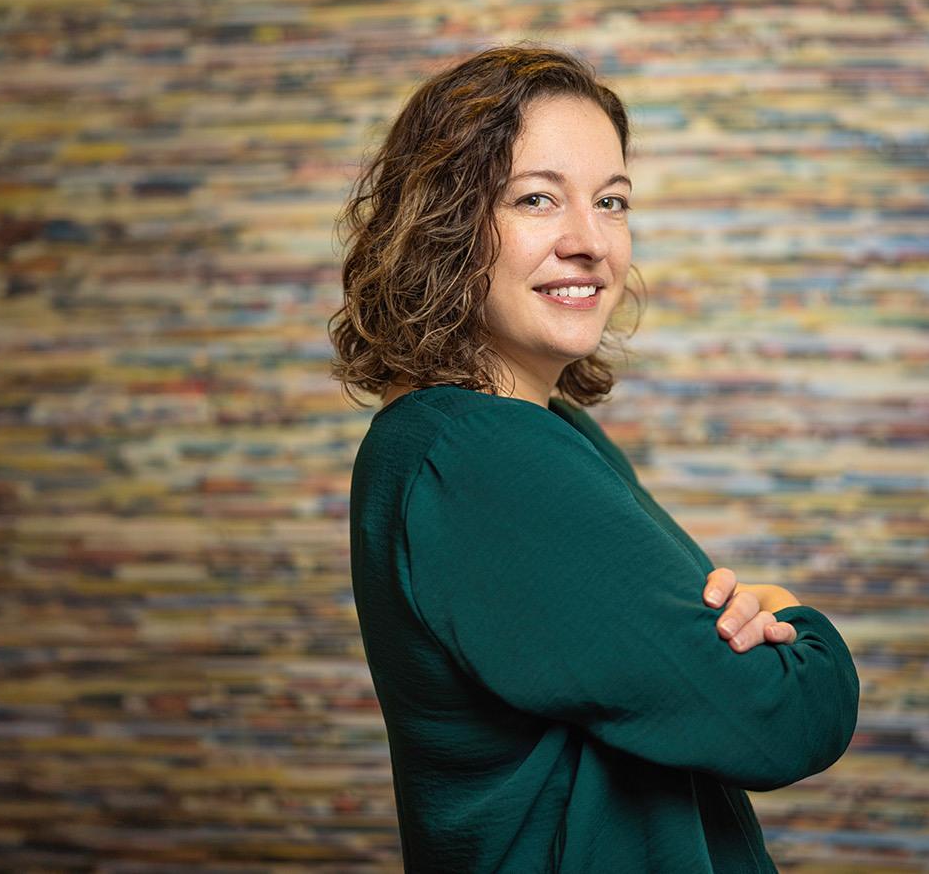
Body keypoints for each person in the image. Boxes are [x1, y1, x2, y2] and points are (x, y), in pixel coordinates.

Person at [330, 44, 860, 873]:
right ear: (445, 223)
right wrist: (796, 622)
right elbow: (780, 717)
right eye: (537, 198)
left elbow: (678, 673)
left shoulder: (552, 432)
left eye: (611, 202)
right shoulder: (476, 457)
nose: (590, 242)